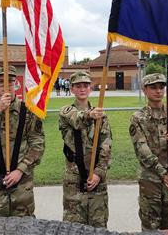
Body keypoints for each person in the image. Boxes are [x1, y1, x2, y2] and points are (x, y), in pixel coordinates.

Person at [0, 65, 45, 217]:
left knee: (24, 226)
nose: (6, 87)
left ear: (16, 83)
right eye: (0, 83)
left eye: (10, 82)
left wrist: (20, 170)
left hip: (22, 182)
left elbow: (38, 144)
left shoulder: (29, 111)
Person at [129, 73, 168, 231]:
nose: (158, 91)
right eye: (153, 87)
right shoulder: (139, 118)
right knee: (151, 224)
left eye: (162, 87)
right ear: (145, 90)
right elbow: (142, 150)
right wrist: (162, 173)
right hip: (151, 179)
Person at [59, 71, 112, 228]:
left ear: (90, 88)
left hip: (97, 178)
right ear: (72, 89)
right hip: (74, 178)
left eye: (85, 86)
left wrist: (98, 173)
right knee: (73, 226)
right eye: (78, 86)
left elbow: (106, 145)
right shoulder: (66, 112)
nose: (82, 89)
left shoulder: (101, 115)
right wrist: (90, 114)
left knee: (98, 224)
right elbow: (76, 120)